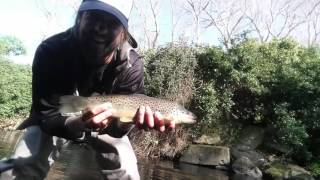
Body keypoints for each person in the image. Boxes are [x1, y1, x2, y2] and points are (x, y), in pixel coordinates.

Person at [0, 0, 175, 179]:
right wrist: (79, 123)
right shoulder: (51, 51)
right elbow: (47, 116)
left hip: (108, 120)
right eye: (94, 17)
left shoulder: (130, 65)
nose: (100, 27)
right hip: (57, 117)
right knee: (21, 167)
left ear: (123, 33)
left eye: (112, 22)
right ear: (79, 19)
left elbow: (117, 130)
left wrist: (127, 122)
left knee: (126, 171)